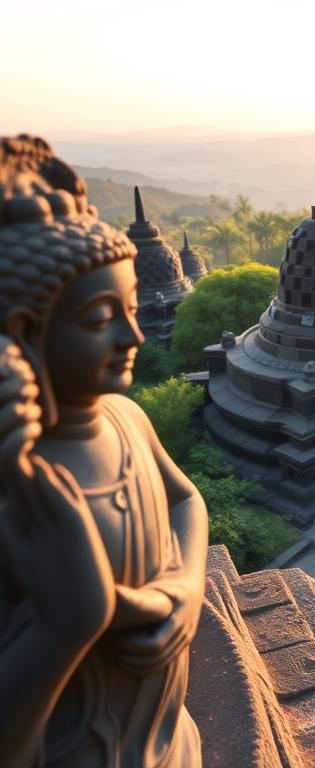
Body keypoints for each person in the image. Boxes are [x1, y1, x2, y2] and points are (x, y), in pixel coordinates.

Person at [0, 136, 206, 767]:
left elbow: (185, 499)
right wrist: (68, 624)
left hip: (168, 736)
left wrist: (186, 590)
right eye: (98, 320)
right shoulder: (16, 490)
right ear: (23, 333)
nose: (134, 335)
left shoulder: (126, 417)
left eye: (135, 309)